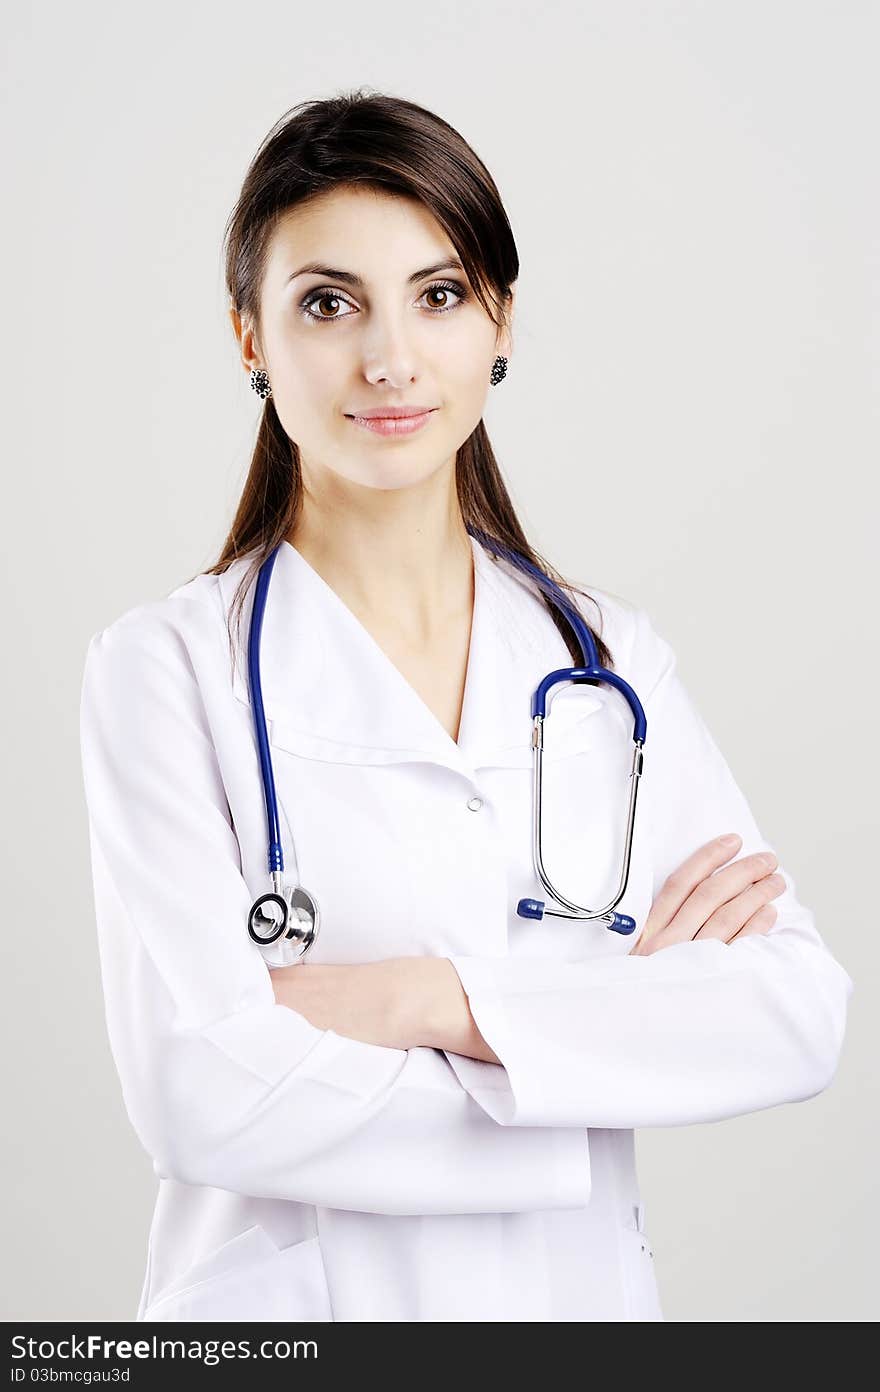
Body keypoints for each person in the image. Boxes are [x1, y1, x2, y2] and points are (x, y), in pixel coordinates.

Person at [78, 89, 854, 1324]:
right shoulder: (167, 668)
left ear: (498, 322)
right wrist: (589, 1060)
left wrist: (427, 1000)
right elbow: (201, 1095)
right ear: (248, 338)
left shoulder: (606, 663)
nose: (389, 357)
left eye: (438, 296)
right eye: (328, 304)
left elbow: (793, 1013)